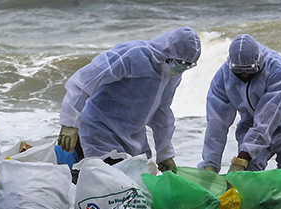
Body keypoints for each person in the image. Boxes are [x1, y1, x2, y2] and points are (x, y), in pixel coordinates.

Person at [57, 26, 201, 171]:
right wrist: (70, 123)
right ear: (169, 51)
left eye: (188, 65)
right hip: (101, 132)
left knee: (138, 185)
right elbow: (83, 81)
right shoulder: (133, 54)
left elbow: (161, 111)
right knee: (106, 182)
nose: (181, 68)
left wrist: (165, 153)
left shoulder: (171, 74)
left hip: (134, 139)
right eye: (180, 62)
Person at [198, 34, 281, 187]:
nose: (245, 75)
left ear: (260, 62)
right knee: (243, 185)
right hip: (253, 127)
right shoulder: (223, 77)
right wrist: (210, 163)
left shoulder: (278, 69)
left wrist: (244, 156)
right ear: (231, 65)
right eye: (239, 71)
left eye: (250, 70)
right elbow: (216, 123)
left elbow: (268, 116)